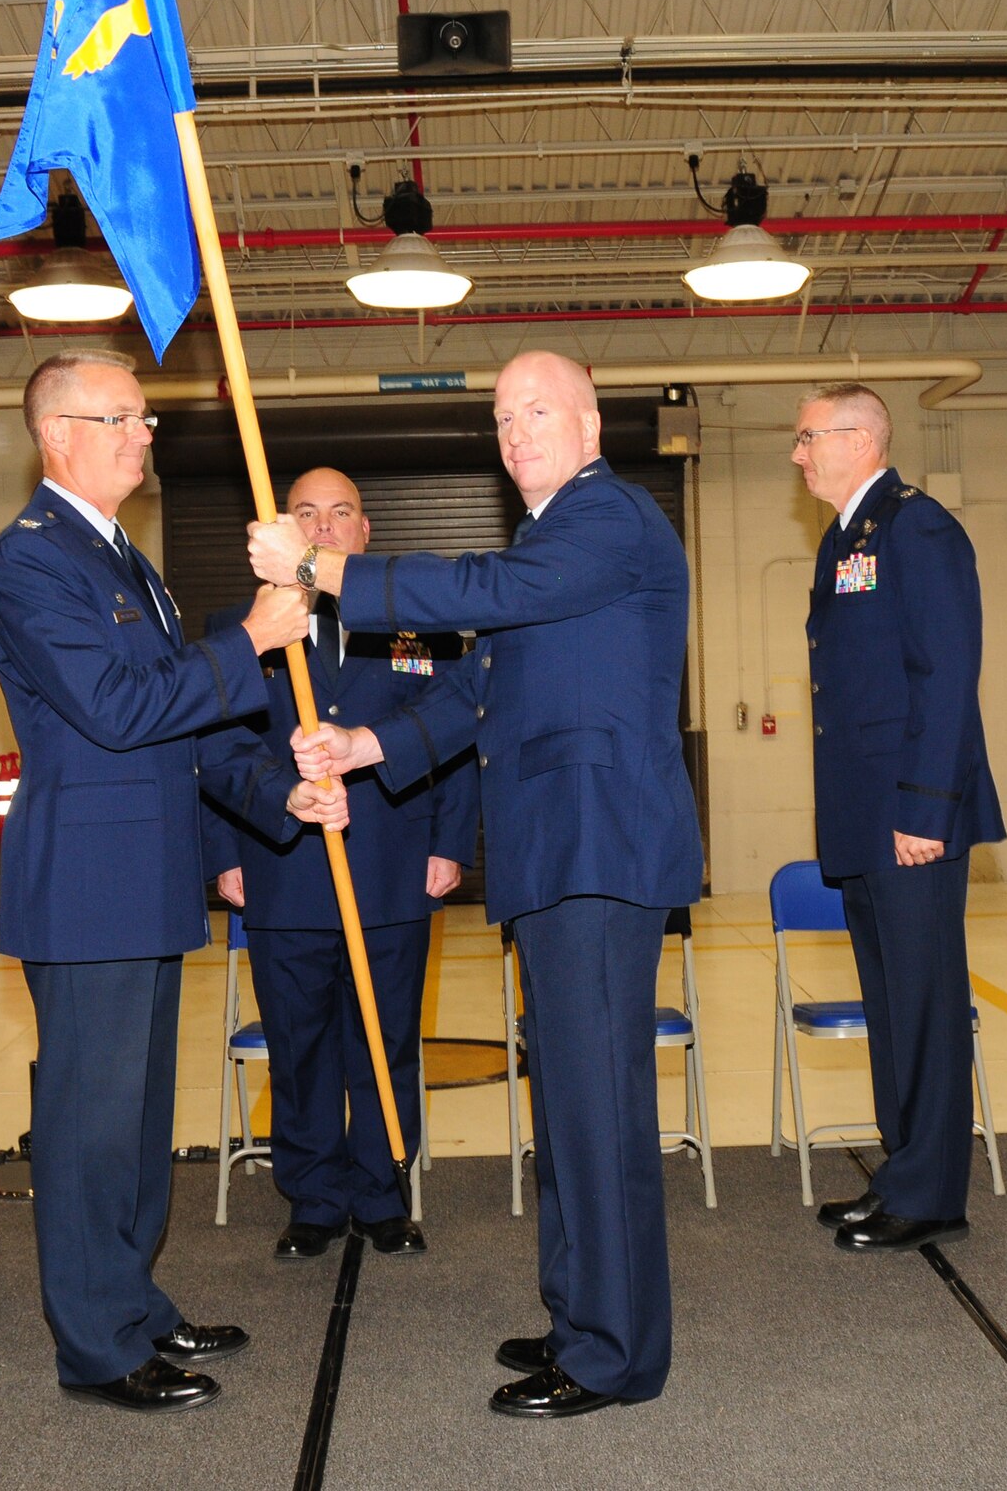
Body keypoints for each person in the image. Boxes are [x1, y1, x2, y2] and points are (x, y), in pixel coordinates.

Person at [247, 350, 702, 1420]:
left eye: (537, 409)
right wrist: (367, 739)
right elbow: (477, 691)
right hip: (554, 857)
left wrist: (320, 569)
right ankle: (582, 1314)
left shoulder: (608, 517)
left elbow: (487, 595)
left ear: (589, 422)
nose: (515, 430)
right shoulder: (549, 540)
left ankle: (613, 1352)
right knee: (570, 1109)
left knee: (597, 1114)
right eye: (501, 415)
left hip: (596, 853)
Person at [0, 349, 312, 1415]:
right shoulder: (28, 560)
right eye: (119, 416)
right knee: (87, 1126)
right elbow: (119, 709)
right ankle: (96, 1344)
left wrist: (275, 800)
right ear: (57, 433)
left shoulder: (125, 557)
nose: (143, 432)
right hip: (86, 884)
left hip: (147, 875)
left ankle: (131, 1296)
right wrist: (254, 636)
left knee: (133, 1120)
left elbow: (188, 726)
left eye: (143, 416)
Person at [199, 467, 478, 1261]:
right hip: (280, 865)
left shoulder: (420, 627)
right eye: (305, 515)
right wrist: (225, 853)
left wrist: (450, 842)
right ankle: (314, 1198)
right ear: (281, 535)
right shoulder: (241, 627)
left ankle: (385, 1192)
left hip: (394, 863)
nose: (322, 528)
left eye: (340, 514)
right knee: (300, 1042)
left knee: (385, 1041)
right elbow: (214, 748)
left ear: (365, 533)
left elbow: (454, 739)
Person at [791, 382, 1003, 1252]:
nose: (797, 453)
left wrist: (924, 808)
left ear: (860, 437)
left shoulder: (919, 528)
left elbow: (947, 676)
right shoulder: (848, 536)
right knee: (891, 1004)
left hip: (910, 817)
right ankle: (904, 1171)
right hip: (865, 814)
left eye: (807, 437)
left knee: (927, 1004)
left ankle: (932, 1193)